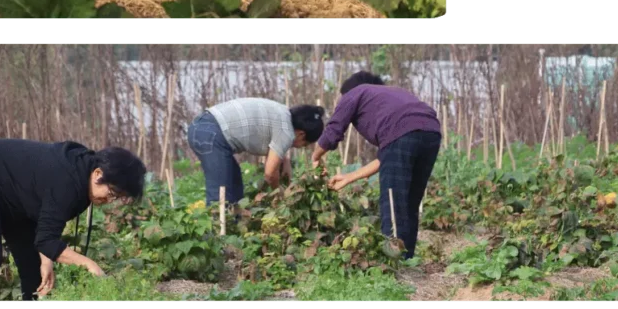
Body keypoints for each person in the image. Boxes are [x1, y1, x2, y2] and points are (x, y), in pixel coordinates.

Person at [0, 139, 146, 302]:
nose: (109, 200)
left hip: (14, 197)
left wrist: (46, 260)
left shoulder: (83, 177)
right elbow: (47, 240)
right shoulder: (68, 181)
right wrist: (89, 264)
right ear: (98, 174)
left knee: (32, 265)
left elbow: (45, 220)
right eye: (111, 192)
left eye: (117, 197)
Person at [311, 71, 441, 259]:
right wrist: (348, 177)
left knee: (393, 200)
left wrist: (316, 156)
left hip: (405, 136)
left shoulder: (356, 92)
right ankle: (407, 259)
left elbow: (334, 129)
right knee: (410, 201)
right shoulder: (394, 98)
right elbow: (387, 157)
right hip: (432, 132)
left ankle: (393, 261)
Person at [187, 98, 325, 205]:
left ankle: (232, 226)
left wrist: (285, 161)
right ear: (301, 134)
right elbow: (270, 174)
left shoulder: (283, 114)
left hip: (205, 126)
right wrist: (282, 195)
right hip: (210, 134)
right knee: (220, 195)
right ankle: (215, 237)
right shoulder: (287, 132)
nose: (299, 147)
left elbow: (276, 149)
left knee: (234, 186)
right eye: (304, 144)